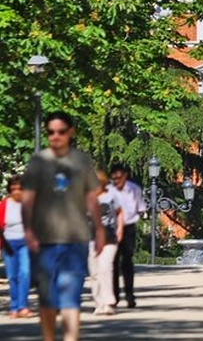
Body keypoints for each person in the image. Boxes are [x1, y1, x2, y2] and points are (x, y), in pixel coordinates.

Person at [21, 111, 105, 341]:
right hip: (44, 239)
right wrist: (27, 230)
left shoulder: (81, 161)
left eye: (60, 131)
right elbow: (27, 199)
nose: (55, 136)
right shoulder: (38, 162)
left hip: (75, 238)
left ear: (70, 132)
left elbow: (91, 198)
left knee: (71, 297)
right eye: (50, 132)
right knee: (47, 298)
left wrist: (99, 230)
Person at [109, 164, 145, 308]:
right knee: (113, 263)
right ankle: (114, 296)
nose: (117, 180)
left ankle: (130, 295)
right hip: (112, 228)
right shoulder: (109, 191)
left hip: (129, 227)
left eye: (119, 177)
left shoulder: (134, 189)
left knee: (127, 261)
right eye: (114, 177)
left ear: (125, 175)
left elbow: (140, 207)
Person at [88, 169, 124, 315]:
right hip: (91, 238)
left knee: (105, 267)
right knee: (94, 272)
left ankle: (108, 303)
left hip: (109, 237)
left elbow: (120, 212)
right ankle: (99, 303)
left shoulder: (111, 195)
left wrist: (120, 229)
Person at [1, 175, 32, 318]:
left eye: (20, 187)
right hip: (8, 243)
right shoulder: (4, 204)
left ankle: (23, 306)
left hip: (24, 242)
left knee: (25, 273)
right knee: (12, 276)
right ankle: (14, 307)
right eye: (14, 187)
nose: (17, 190)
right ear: (10, 188)